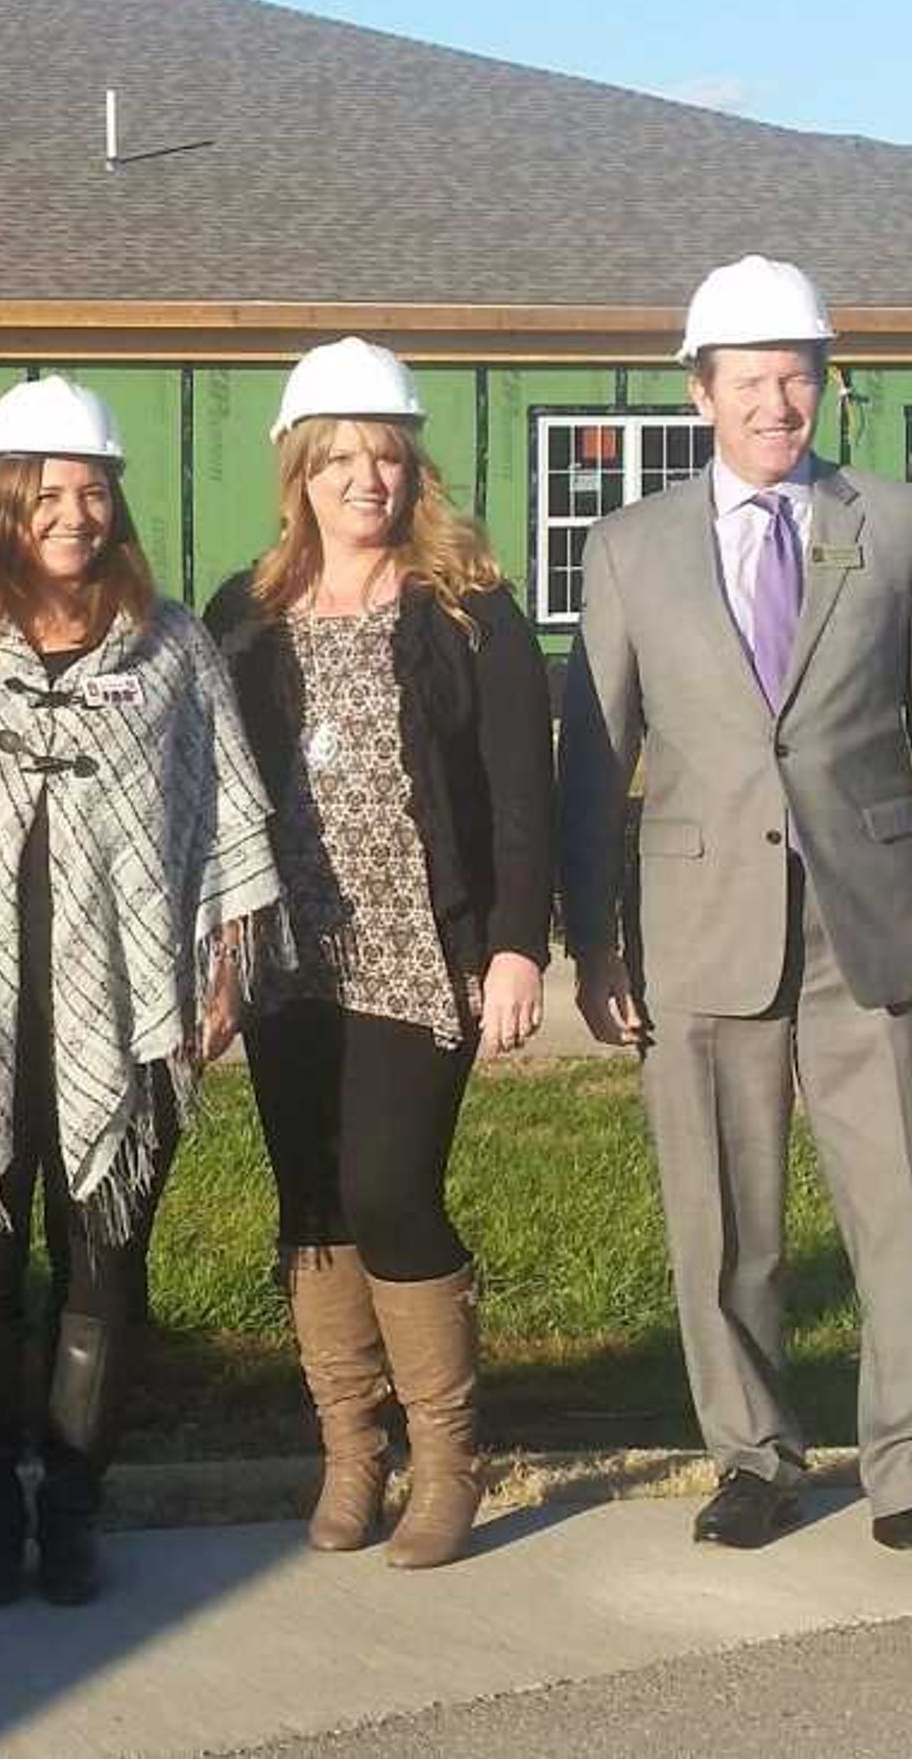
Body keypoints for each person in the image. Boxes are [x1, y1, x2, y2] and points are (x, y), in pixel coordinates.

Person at [555, 255, 912, 1581]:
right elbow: (598, 759)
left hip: (875, 923)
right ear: (699, 392)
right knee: (723, 1218)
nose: (779, 403)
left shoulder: (900, 524)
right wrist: (595, 939)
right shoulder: (631, 548)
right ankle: (754, 1457)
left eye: (800, 377)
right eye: (753, 379)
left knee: (905, 1213)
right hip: (697, 924)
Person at [0, 378, 283, 1609]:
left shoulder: (172, 648)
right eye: (46, 490)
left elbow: (222, 819)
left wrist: (220, 968)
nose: (74, 511)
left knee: (105, 1263)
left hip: (132, 998)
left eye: (93, 488)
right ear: (1, 502)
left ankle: (75, 1506)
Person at [203, 336, 556, 1573]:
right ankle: (353, 1455)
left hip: (424, 948)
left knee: (394, 1190)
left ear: (417, 475)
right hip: (288, 955)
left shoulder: (473, 613)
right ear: (299, 472)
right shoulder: (240, 616)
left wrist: (518, 948)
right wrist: (215, 951)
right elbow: (211, 797)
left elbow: (523, 796)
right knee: (311, 1202)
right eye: (341, 457)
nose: (366, 480)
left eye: (388, 457)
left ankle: (450, 1463)